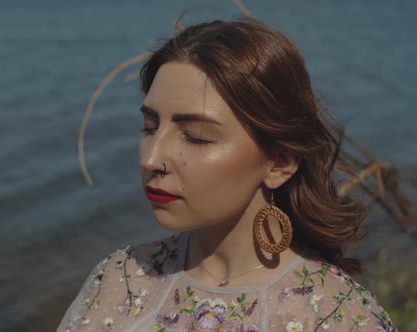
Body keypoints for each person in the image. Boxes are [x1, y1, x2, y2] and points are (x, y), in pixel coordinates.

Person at [58, 18, 396, 332]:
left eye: (196, 136)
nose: (151, 159)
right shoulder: (123, 280)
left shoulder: (337, 317)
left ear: (279, 162)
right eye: (150, 127)